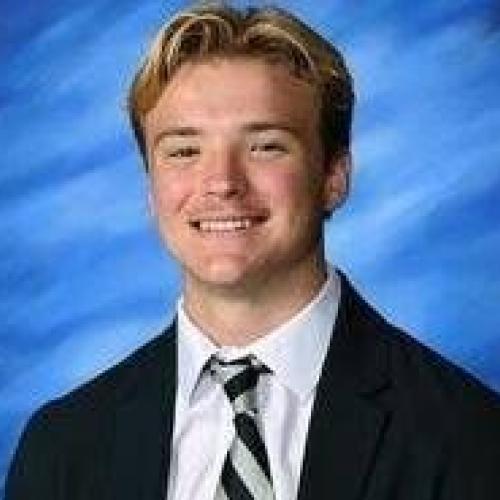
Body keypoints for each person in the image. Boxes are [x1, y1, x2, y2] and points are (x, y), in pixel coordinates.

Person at [5, 2, 500, 499]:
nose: (221, 182)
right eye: (184, 150)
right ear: (151, 187)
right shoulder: (62, 449)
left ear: (334, 176)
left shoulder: (470, 439)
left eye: (265, 146)